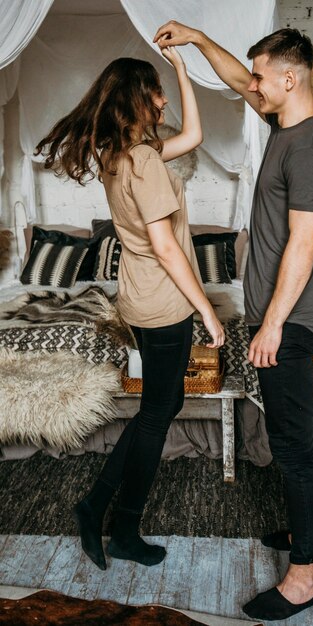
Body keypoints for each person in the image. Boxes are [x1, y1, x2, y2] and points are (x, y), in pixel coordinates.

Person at [154, 22, 313, 621]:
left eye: (262, 78)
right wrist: (199, 39)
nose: (251, 86)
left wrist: (271, 325)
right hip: (280, 316)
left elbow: (304, 245)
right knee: (305, 429)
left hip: (288, 321)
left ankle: (305, 575)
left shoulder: (309, 148)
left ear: (290, 79)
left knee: (291, 447)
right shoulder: (284, 124)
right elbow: (238, 76)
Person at [35, 47, 224, 570]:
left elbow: (194, 139)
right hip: (165, 305)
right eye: (159, 90)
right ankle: (114, 520)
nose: (165, 101)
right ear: (139, 99)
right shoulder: (142, 161)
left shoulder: (118, 155)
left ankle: (104, 512)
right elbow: (166, 247)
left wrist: (186, 71)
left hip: (139, 301)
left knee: (158, 409)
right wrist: (205, 309)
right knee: (157, 414)